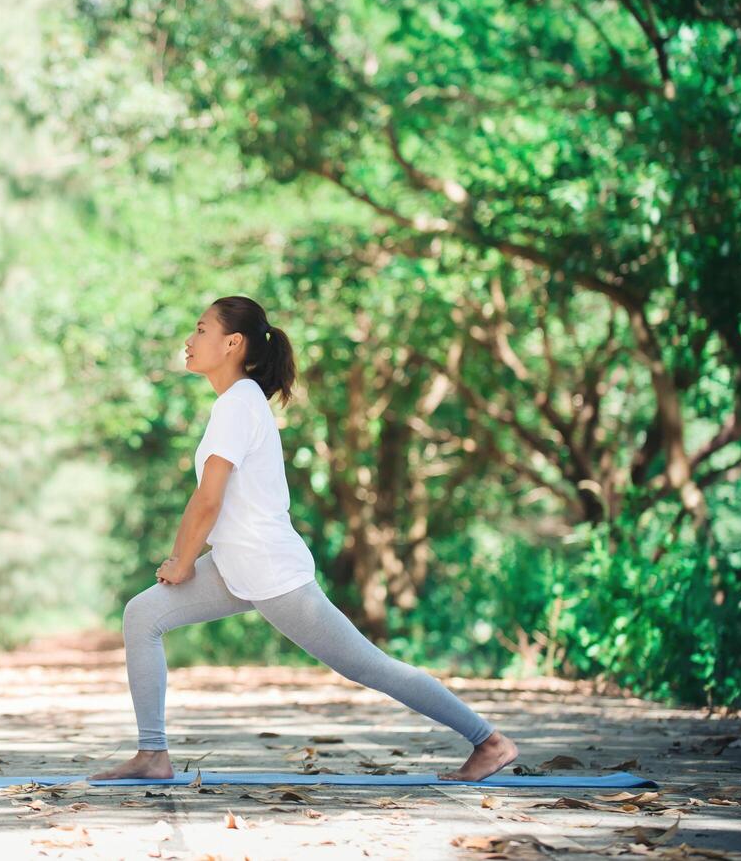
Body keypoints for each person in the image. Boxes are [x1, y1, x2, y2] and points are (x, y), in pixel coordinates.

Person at [88, 296, 519, 783]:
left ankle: (490, 741)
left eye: (201, 329)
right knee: (142, 614)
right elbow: (210, 500)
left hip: (270, 571)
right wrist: (185, 559)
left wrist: (182, 560)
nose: (189, 341)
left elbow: (209, 499)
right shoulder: (237, 402)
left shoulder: (237, 404)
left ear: (233, 343)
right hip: (237, 566)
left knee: (368, 666)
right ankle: (152, 755)